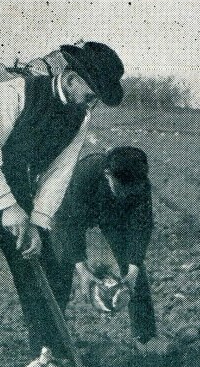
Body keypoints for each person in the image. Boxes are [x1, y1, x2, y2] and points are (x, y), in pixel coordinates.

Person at [0, 41, 125, 367]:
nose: (91, 103)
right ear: (70, 79)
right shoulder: (14, 92)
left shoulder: (80, 118)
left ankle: (49, 350)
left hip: (18, 186)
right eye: (91, 94)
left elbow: (58, 173)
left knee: (40, 265)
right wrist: (9, 209)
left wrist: (37, 221)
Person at [53, 147, 167, 355]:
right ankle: (52, 340)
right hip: (71, 212)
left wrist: (132, 269)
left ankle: (145, 336)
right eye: (121, 188)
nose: (126, 194)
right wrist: (82, 269)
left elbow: (141, 226)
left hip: (113, 215)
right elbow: (69, 223)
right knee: (60, 267)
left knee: (134, 269)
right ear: (108, 175)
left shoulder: (140, 185)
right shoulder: (84, 173)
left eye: (132, 190)